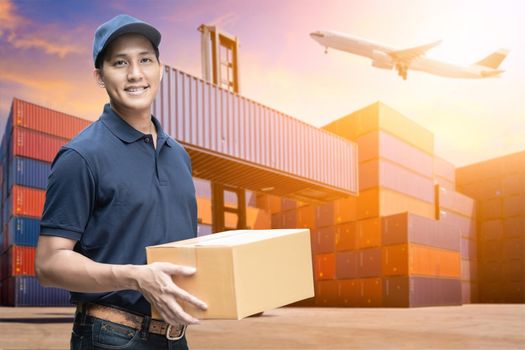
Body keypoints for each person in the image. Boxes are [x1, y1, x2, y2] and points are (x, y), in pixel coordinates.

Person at [35, 14, 207, 350]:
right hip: (112, 338)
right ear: (100, 76)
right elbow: (49, 262)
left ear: (160, 69)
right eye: (119, 63)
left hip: (175, 337)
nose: (135, 74)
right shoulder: (81, 156)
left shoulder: (178, 156)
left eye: (145, 59)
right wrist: (134, 276)